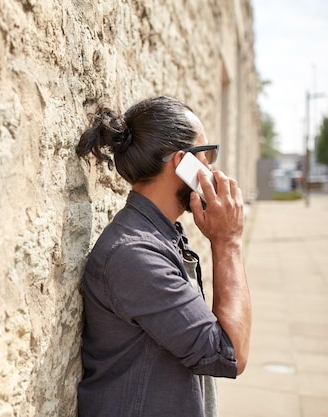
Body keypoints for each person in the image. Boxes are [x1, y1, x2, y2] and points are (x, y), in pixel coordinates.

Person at [75, 96, 251, 417]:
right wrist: (228, 241)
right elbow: (230, 355)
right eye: (206, 155)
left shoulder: (157, 236)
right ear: (181, 162)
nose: (210, 169)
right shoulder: (135, 253)